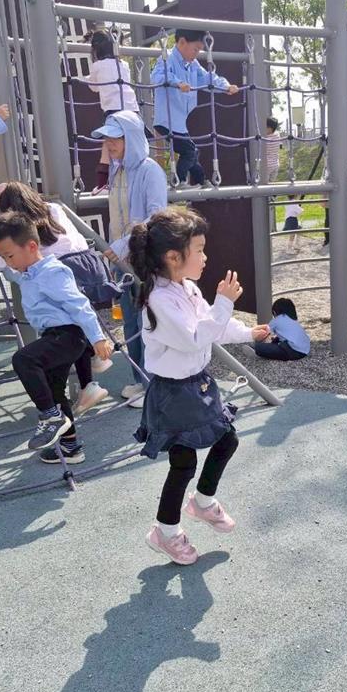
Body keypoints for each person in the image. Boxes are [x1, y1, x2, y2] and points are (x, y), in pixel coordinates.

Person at [128, 206, 269, 565]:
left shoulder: (186, 288)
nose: (206, 257)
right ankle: (166, 532)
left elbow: (212, 326)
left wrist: (246, 332)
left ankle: (203, 502)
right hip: (173, 393)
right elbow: (194, 338)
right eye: (200, 250)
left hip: (197, 384)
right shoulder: (159, 300)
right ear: (173, 257)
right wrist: (224, 302)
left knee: (227, 439)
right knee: (183, 463)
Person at [0, 183, 107, 415]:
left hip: (62, 272)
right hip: (87, 262)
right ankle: (87, 382)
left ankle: (78, 385)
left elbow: (0, 259)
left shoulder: (29, 239)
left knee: (66, 326)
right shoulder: (52, 209)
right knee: (71, 333)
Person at [0, 212, 113, 463]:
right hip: (54, 336)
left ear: (32, 246)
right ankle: (70, 447)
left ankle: (50, 416)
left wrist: (97, 338)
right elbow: (6, 270)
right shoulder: (26, 272)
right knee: (54, 389)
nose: (8, 262)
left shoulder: (52, 272)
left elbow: (79, 304)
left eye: (10, 255)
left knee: (24, 360)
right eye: (3, 257)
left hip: (68, 336)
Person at [93, 111, 168, 409]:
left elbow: (157, 215)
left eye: (116, 138)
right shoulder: (118, 170)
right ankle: (140, 378)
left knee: (145, 321)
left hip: (142, 257)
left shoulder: (150, 170)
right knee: (128, 319)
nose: (110, 143)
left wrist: (124, 243)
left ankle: (152, 384)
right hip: (122, 260)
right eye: (107, 138)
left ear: (132, 138)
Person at [151, 28, 240, 186]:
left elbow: (207, 78)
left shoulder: (192, 64)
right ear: (182, 42)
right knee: (189, 151)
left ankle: (201, 180)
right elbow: (157, 76)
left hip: (180, 122)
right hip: (167, 120)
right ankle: (178, 181)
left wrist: (225, 86)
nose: (196, 54)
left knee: (193, 151)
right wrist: (177, 83)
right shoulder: (167, 58)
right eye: (195, 49)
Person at [83, 29, 140, 193]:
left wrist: (85, 79)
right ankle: (133, 181)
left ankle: (103, 184)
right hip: (132, 110)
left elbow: (93, 87)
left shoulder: (97, 66)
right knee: (130, 147)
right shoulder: (124, 65)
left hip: (114, 112)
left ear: (96, 50)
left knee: (108, 148)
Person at [264, 116, 282, 182]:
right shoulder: (277, 135)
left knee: (264, 184)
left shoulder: (265, 138)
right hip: (275, 165)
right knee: (271, 183)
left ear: (270, 128)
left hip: (266, 166)